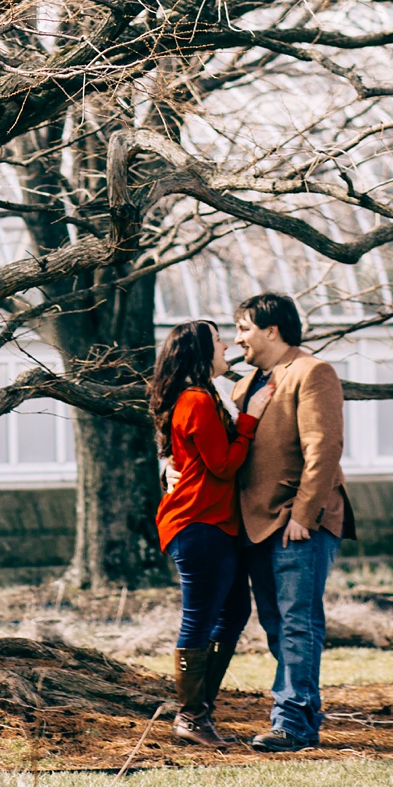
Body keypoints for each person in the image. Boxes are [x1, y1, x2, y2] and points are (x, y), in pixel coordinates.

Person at [232, 292, 353, 752]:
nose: (238, 338)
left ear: (271, 329)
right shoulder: (245, 386)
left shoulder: (312, 372)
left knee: (298, 622)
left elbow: (323, 449)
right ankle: (300, 716)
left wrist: (304, 515)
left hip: (297, 524)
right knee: (277, 625)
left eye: (244, 328)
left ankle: (293, 724)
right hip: (255, 524)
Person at [149, 319, 262, 748]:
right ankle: (191, 716)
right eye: (218, 341)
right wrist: (250, 421)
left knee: (233, 613)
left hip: (213, 523)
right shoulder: (197, 400)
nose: (227, 347)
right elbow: (224, 465)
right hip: (198, 523)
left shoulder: (204, 397)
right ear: (200, 352)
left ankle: (199, 709)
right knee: (199, 618)